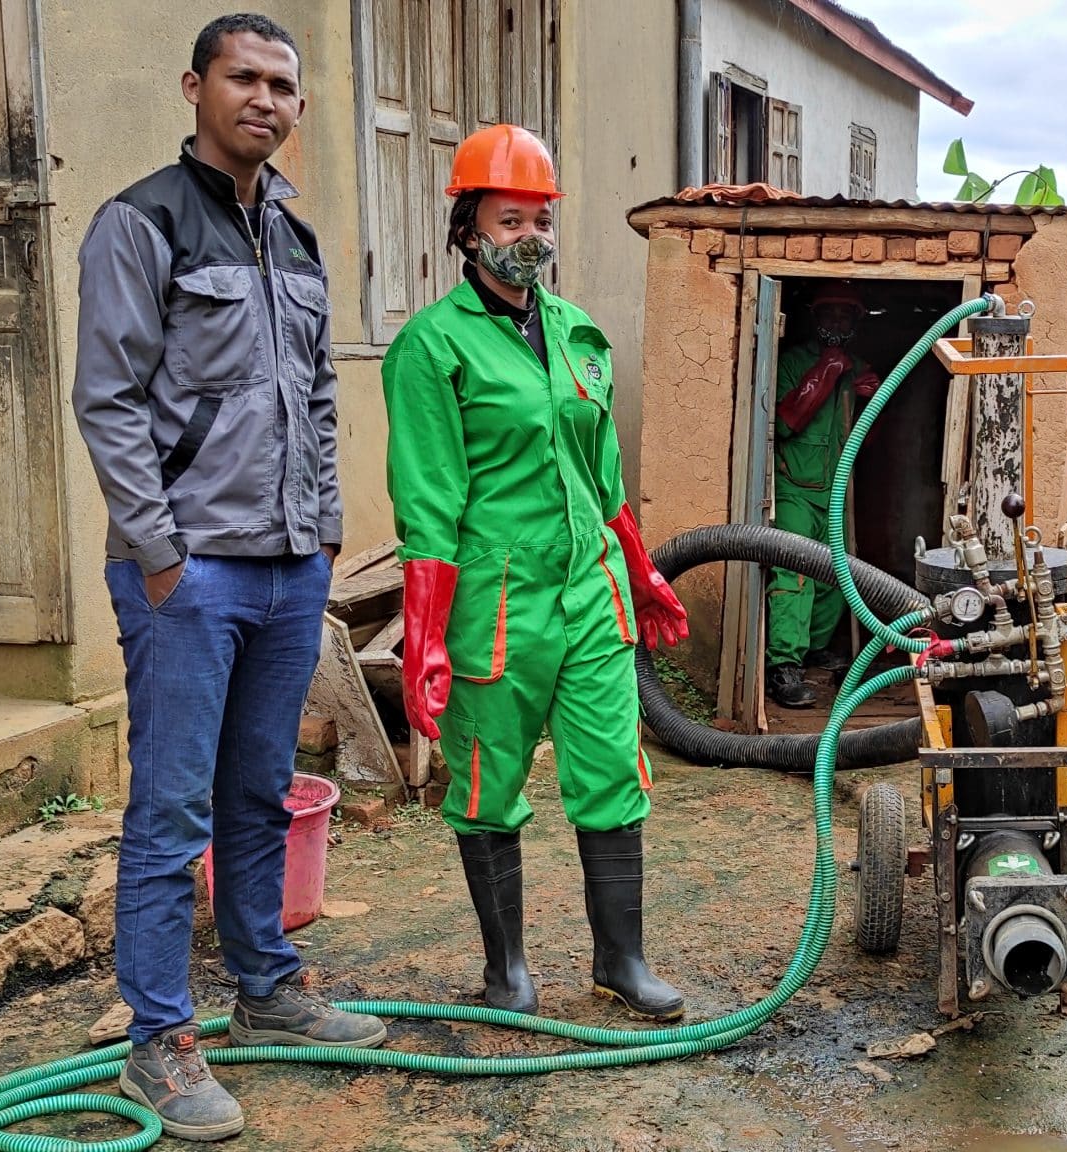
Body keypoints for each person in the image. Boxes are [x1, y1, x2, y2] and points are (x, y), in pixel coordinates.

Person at [72, 13, 389, 1141]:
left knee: (258, 789)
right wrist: (159, 556)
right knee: (168, 810)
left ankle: (266, 981)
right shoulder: (141, 222)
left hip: (288, 569)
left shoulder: (293, 235)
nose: (264, 97)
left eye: (282, 84)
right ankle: (156, 1039)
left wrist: (324, 539)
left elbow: (311, 395)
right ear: (194, 88)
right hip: (190, 574)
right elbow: (106, 400)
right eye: (242, 77)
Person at [384, 123, 694, 1024]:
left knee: (610, 764)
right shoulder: (432, 349)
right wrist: (426, 639)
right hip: (496, 596)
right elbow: (428, 505)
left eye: (540, 219)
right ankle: (507, 968)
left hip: (589, 590)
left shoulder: (578, 334)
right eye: (509, 218)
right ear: (468, 228)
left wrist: (642, 574)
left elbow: (605, 481)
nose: (530, 236)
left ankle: (621, 962)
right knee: (488, 779)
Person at [765, 281, 882, 709]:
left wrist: (870, 402)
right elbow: (784, 423)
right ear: (815, 318)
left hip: (836, 491)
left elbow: (865, 444)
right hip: (795, 486)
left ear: (855, 322)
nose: (836, 322)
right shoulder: (793, 362)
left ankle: (814, 647)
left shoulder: (859, 368)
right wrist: (826, 372)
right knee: (795, 575)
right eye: (829, 314)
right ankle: (784, 665)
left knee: (836, 577)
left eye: (845, 315)